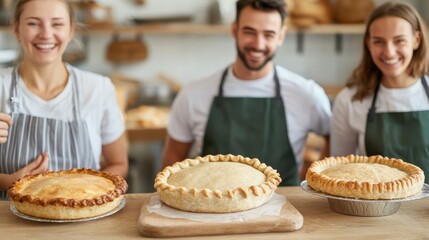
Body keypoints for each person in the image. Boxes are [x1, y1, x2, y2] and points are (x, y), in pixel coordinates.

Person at [162, 0, 332, 186]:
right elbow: (171, 167)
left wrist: (314, 182)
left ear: (281, 36)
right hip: (214, 209)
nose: (258, 44)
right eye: (249, 32)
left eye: (269, 34)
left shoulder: (307, 94)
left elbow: (333, 141)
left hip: (286, 210)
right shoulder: (193, 95)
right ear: (235, 30)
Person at [0, 0, 128, 199]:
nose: (46, 34)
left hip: (83, 221)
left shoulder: (98, 89)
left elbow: (119, 163)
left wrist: (87, 196)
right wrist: (6, 182)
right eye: (33, 23)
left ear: (71, 30)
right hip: (10, 224)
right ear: (16, 29)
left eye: (57, 24)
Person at [330, 2, 429, 183]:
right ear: (368, 43)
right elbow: (338, 173)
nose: (389, 52)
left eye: (399, 40)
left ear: (416, 40)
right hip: (375, 208)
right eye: (379, 41)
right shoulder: (349, 101)